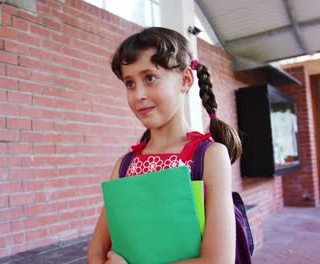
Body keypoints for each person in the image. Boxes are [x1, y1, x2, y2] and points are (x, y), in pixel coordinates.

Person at [87, 27, 242, 264]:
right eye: (130, 83)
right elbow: (97, 252)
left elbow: (218, 261)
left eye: (149, 78)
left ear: (186, 79)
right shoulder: (125, 166)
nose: (138, 94)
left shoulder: (208, 156)